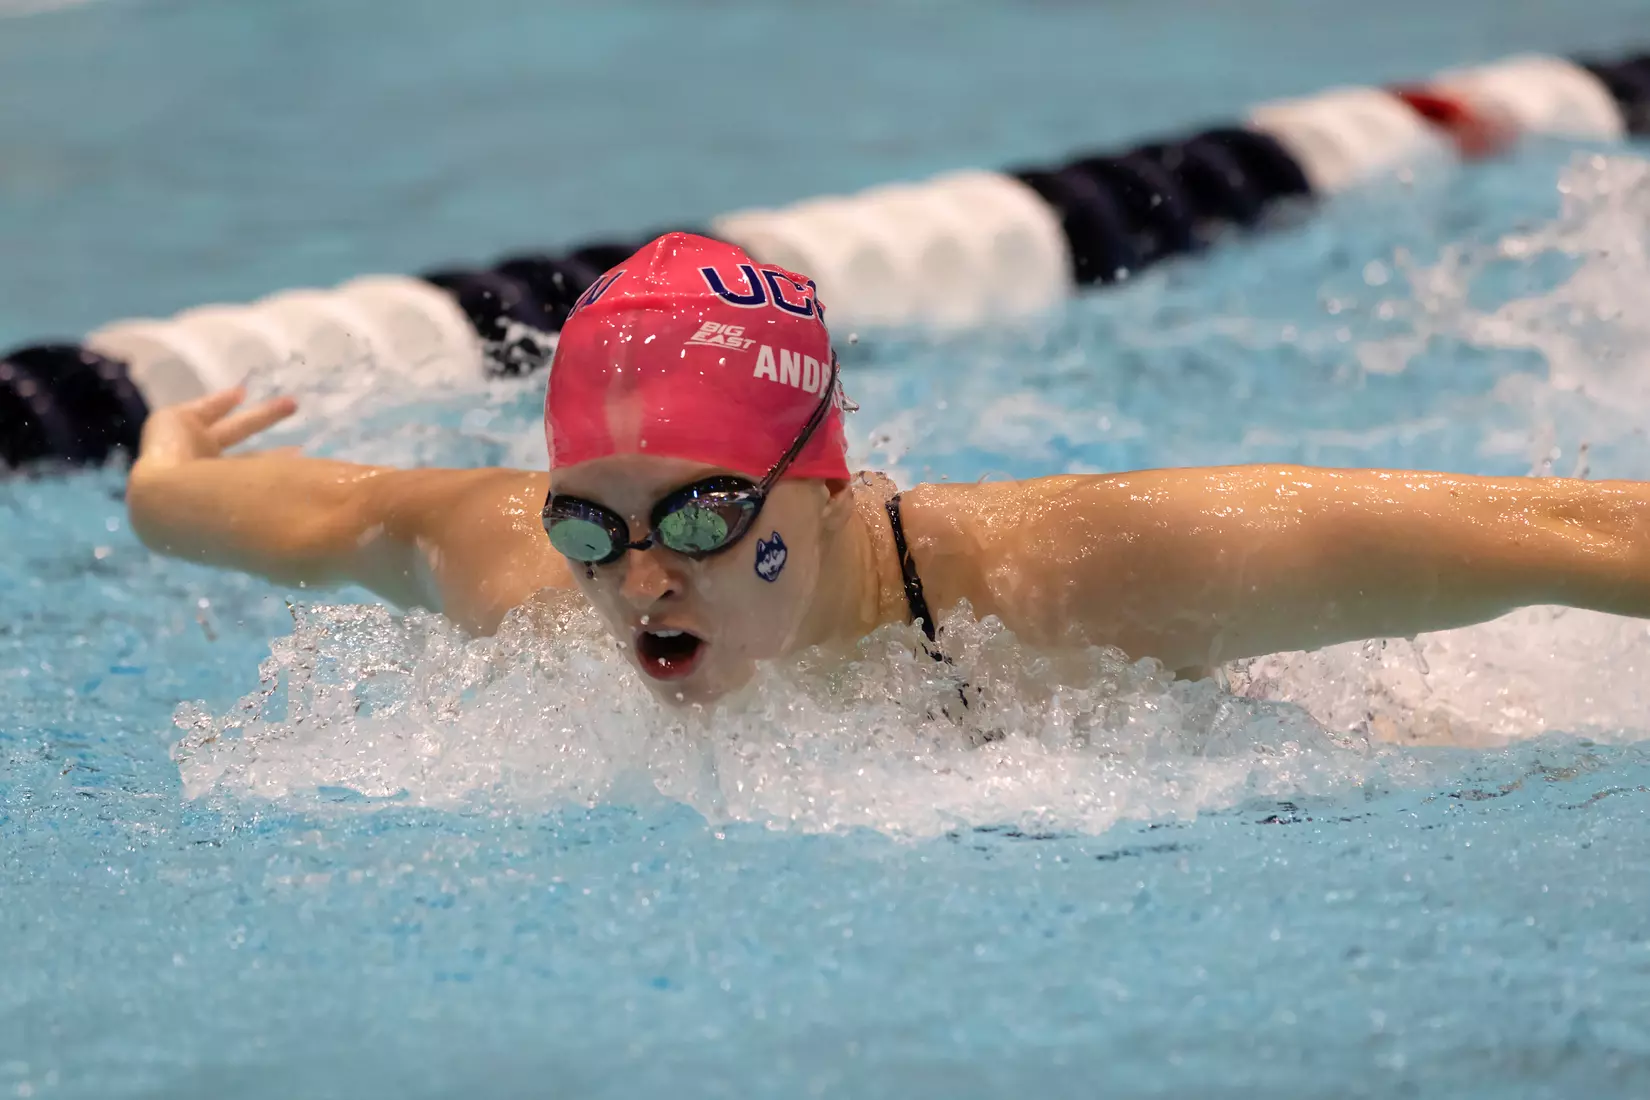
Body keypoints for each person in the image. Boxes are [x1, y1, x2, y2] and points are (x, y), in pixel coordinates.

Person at [127, 232, 1650, 707]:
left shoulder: (1081, 574)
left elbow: (1569, 529)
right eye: (590, 520)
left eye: (707, 514)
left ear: (827, 486)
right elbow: (280, 509)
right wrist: (163, 458)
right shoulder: (527, 582)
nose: (641, 575)